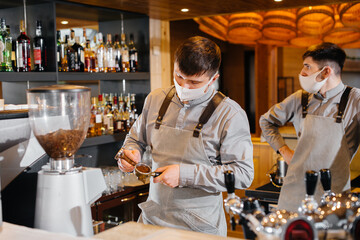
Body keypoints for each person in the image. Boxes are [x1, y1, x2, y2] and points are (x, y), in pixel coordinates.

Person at [116, 36, 254, 236]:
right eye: (179, 77)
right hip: (151, 221)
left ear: (213, 79)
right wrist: (129, 154)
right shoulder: (156, 99)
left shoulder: (230, 114)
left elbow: (242, 174)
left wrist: (184, 175)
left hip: (199, 227)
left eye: (194, 82)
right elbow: (134, 139)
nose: (184, 87)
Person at [260, 42, 360, 212]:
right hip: (295, 193)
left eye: (307, 66)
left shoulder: (355, 99)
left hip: (334, 195)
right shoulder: (300, 98)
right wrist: (284, 150)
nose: (302, 73)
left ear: (326, 71)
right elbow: (266, 121)